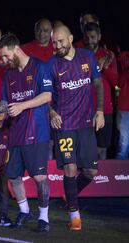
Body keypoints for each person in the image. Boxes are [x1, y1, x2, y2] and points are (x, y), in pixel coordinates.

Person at [0, 33, 52, 232]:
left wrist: (23, 106)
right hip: (16, 133)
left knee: (39, 177)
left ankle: (44, 218)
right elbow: (6, 102)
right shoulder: (9, 75)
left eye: (6, 56)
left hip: (37, 132)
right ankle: (25, 211)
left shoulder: (40, 67)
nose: (3, 61)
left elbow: (47, 95)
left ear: (16, 48)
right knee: (13, 176)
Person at [47, 25, 104, 231]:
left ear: (71, 38)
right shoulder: (51, 65)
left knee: (91, 171)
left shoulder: (87, 56)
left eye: (61, 41)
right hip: (64, 125)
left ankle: (69, 193)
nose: (58, 45)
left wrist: (100, 111)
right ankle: (74, 214)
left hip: (86, 123)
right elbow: (45, 95)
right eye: (54, 42)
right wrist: (51, 113)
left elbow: (98, 84)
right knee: (70, 168)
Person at [83, 22, 118, 159]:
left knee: (101, 148)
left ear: (99, 37)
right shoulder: (79, 55)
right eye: (87, 38)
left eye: (93, 37)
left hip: (104, 110)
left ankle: (101, 179)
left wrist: (106, 67)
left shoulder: (108, 55)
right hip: (84, 109)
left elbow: (115, 82)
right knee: (85, 147)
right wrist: (97, 66)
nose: (90, 40)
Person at [116, 51, 129, 159]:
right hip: (124, 108)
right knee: (124, 138)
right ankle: (120, 164)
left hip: (123, 108)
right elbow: (117, 87)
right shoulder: (123, 74)